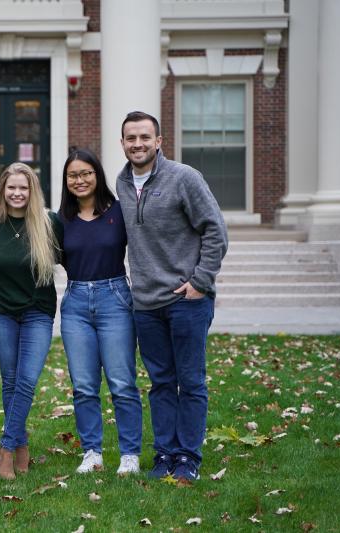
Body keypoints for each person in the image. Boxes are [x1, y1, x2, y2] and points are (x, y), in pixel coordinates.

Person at [116, 111, 228, 482]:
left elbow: (215, 231)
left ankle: (188, 457)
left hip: (187, 300)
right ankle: (165, 454)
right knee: (161, 383)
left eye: (145, 137)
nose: (138, 144)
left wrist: (201, 280)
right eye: (131, 138)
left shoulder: (185, 178)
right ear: (123, 144)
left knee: (191, 381)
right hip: (145, 304)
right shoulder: (121, 183)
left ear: (159, 140)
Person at [58, 148, 143, 476]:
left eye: (86, 173)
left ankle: (130, 455)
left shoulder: (119, 212)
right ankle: (92, 452)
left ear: (97, 175)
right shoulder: (61, 220)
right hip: (76, 301)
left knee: (122, 382)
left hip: (115, 300)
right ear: (66, 181)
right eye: (73, 175)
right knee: (83, 385)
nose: (79, 180)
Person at [0, 162, 63, 481]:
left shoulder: (48, 222)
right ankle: (21, 445)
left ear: (33, 191)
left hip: (37, 310)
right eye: (11, 187)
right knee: (11, 380)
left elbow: (68, 256)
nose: (17, 193)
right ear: (3, 189)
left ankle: (5, 450)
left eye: (23, 188)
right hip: (0, 309)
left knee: (26, 379)